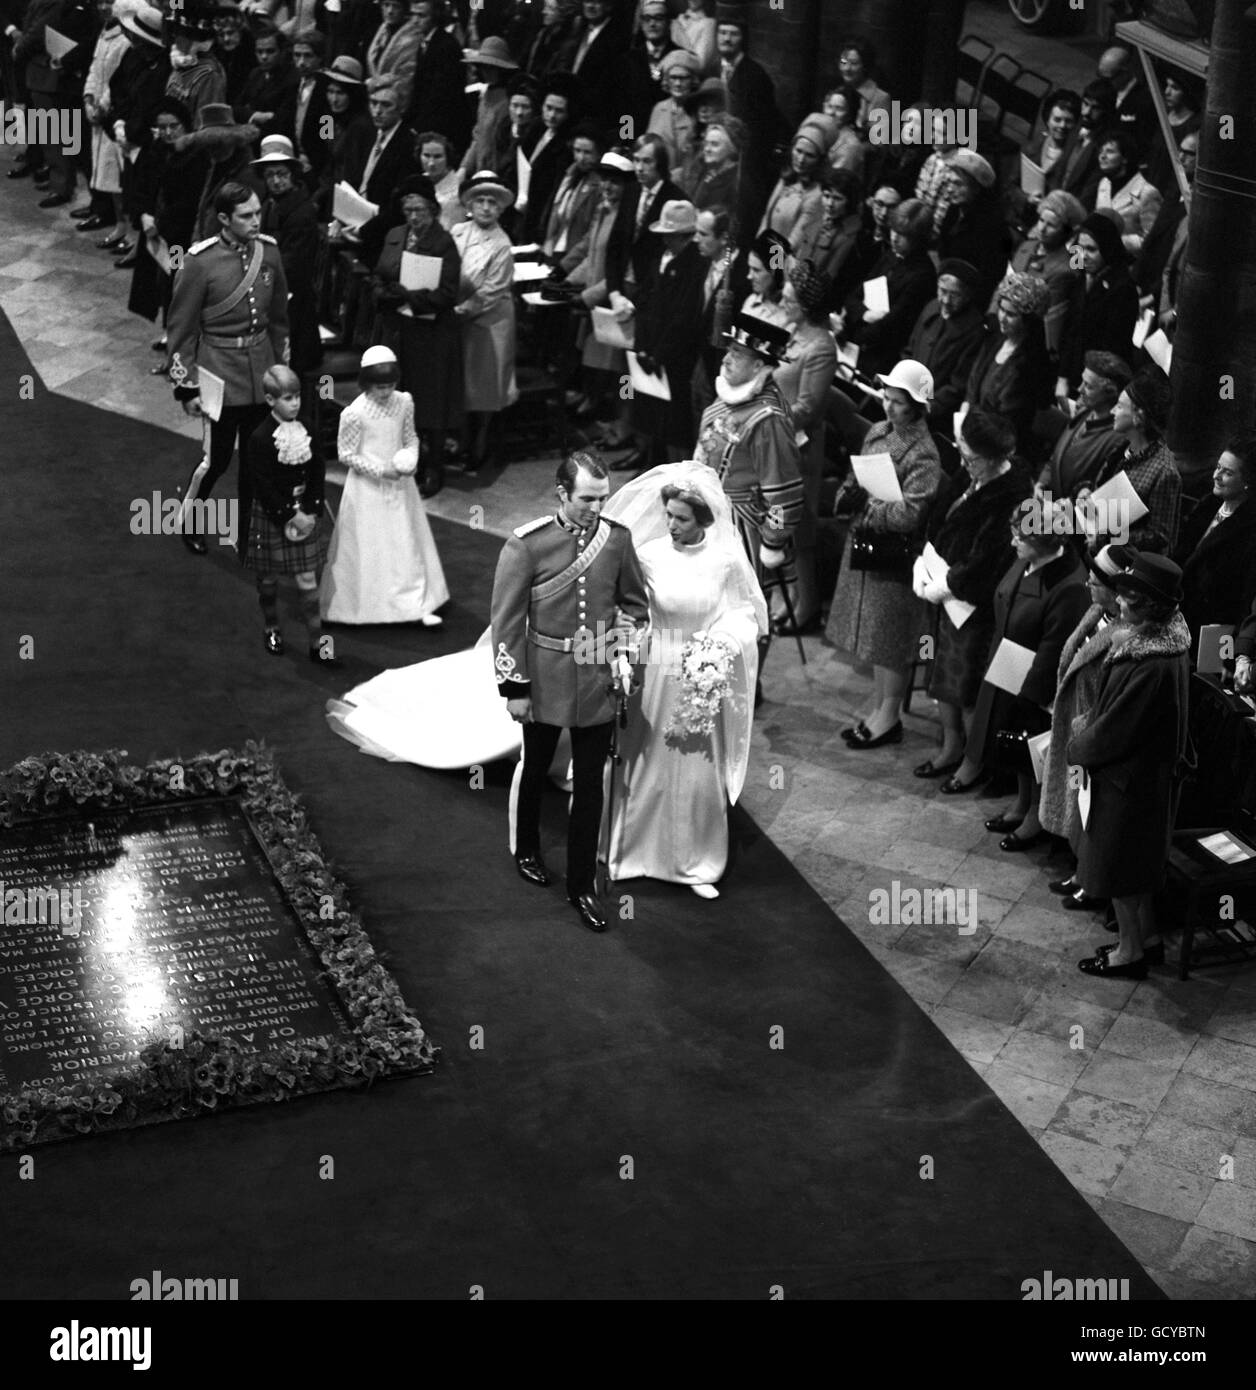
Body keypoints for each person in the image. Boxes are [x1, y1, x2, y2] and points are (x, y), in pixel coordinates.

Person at [490, 452, 649, 934]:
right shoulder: (527, 545)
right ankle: (527, 847)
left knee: (591, 784)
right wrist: (514, 687)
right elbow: (507, 621)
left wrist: (623, 648)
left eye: (602, 498)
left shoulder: (617, 540)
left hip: (597, 681)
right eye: (586, 499)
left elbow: (636, 607)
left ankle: (580, 884)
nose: (596, 507)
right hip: (543, 676)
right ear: (562, 494)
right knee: (535, 767)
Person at [600, 464, 768, 898]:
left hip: (701, 677)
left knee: (695, 772)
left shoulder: (726, 561)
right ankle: (633, 852)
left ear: (704, 520)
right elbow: (630, 609)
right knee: (646, 763)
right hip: (656, 669)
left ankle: (693, 862)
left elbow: (743, 614)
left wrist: (720, 646)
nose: (671, 525)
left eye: (682, 518)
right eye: (669, 515)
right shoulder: (650, 555)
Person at [1070, 554, 1191, 979]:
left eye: (1127, 598)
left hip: (1129, 782)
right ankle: (1149, 940)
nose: (1118, 603)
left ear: (1148, 606)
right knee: (1138, 870)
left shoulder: (1149, 663)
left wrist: (1076, 747)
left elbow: (1115, 731)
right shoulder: (1165, 645)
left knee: (1119, 871)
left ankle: (1129, 951)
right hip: (1144, 779)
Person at [945, 498, 1089, 839]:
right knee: (1016, 747)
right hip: (1009, 666)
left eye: (1020, 538)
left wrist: (1030, 694)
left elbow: (1055, 648)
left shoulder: (1068, 586)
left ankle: (1035, 818)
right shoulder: (1026, 560)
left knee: (1033, 749)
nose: (1013, 542)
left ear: (1042, 541)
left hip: (1037, 683)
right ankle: (1021, 805)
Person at [166, 181, 290, 555]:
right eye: (246, 216)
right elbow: (180, 331)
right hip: (218, 376)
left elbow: (280, 318)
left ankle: (247, 530)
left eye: (257, 213)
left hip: (261, 372)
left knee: (257, 461)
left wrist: (282, 369)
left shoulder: (268, 253)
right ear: (223, 218)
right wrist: (185, 386)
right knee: (215, 460)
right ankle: (189, 520)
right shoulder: (200, 262)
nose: (256, 221)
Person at [827, 359, 941, 749]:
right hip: (868, 547)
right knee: (876, 637)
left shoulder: (923, 452)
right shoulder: (877, 431)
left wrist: (869, 507)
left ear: (918, 406)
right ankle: (879, 709)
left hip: (895, 556)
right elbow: (854, 475)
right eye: (887, 399)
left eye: (898, 402)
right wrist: (848, 496)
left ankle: (888, 716)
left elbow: (911, 512)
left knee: (891, 639)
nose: (889, 408)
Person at [914, 410, 1032, 780]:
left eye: (972, 459)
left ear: (997, 459)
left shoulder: (1013, 495)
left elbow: (989, 561)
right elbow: (941, 516)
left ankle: (972, 760)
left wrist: (948, 584)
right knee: (940, 678)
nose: (965, 465)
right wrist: (926, 559)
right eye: (963, 455)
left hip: (971, 605)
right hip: (942, 595)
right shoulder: (972, 470)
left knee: (966, 687)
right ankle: (950, 746)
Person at [693, 314, 804, 703]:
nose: (727, 358)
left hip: (744, 529)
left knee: (745, 613)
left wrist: (772, 541)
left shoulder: (768, 418)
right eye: (729, 349)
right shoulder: (732, 395)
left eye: (738, 353)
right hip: (708, 517)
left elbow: (784, 488)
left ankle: (743, 687)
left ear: (759, 365)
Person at [320, 345, 449, 625]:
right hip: (368, 488)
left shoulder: (404, 402)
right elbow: (346, 454)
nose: (386, 392)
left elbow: (410, 437)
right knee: (371, 546)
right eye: (380, 387)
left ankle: (416, 604)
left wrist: (410, 458)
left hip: (401, 484)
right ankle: (363, 606)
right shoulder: (354, 413)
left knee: (406, 541)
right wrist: (380, 470)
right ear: (366, 383)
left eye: (390, 385)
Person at [1038, 542, 1131, 911]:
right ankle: (1080, 871)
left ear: (1115, 588)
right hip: (1073, 724)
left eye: (1097, 577)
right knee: (1076, 801)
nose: (1089, 580)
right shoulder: (1095, 612)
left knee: (1089, 809)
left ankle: (1091, 881)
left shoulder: (1126, 632)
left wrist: (1083, 726)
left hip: (1093, 733)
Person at [371, 174, 464, 498]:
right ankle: (402, 460)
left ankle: (433, 466)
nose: (413, 217)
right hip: (397, 330)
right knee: (399, 396)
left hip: (431, 333)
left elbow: (449, 293)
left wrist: (410, 297)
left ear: (434, 211)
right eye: (408, 210)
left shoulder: (444, 243)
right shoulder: (395, 235)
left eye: (420, 211)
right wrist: (384, 292)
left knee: (430, 403)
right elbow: (379, 274)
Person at [243, 364, 336, 664]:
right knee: (268, 579)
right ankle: (271, 627)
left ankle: (316, 642)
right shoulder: (259, 438)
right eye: (287, 398)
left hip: (304, 512)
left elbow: (318, 470)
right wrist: (288, 515)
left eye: (297, 396)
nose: (294, 403)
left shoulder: (307, 427)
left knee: (308, 581)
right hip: (274, 514)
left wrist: (310, 510)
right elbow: (263, 485)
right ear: (271, 400)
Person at [771, 261, 837, 636]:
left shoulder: (822, 347)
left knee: (802, 528)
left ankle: (808, 604)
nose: (782, 298)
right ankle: (791, 597)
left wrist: (768, 419)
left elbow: (809, 407)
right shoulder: (793, 333)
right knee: (781, 524)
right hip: (778, 442)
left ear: (807, 304)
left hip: (801, 449)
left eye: (790, 297)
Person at [452, 170, 518, 474]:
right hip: (462, 318)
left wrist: (458, 311)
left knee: (485, 387)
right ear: (470, 204)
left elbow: (491, 291)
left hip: (489, 322)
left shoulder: (501, 244)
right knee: (463, 384)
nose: (486, 207)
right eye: (480, 201)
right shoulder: (458, 232)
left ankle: (481, 446)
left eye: (493, 202)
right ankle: (462, 441)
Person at [1079, 367, 1180, 554]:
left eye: (1119, 406)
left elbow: (1159, 535)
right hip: (1093, 547)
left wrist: (1106, 539)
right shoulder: (1121, 448)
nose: (1112, 411)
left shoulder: (1164, 472)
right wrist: (1088, 494)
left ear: (1138, 416)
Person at [1175, 433, 1256, 648]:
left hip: (1209, 635)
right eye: (1218, 467)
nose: (1216, 476)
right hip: (1177, 617)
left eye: (1227, 472)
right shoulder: (1208, 505)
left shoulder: (1250, 534)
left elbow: (1245, 601)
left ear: (1247, 481)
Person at [964, 271, 1054, 457]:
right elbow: (973, 386)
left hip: (997, 448)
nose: (1002, 317)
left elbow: (1009, 424)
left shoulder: (1031, 364)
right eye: (1001, 309)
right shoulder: (994, 338)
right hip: (971, 433)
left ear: (1028, 320)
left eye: (1011, 314)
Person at [1056, 212, 1139, 396]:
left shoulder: (1122, 288)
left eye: (1092, 249)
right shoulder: (1080, 278)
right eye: (1081, 248)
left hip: (1100, 383)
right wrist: (1062, 377)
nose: (1084, 256)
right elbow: (1070, 330)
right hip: (1074, 374)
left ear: (1107, 249)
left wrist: (1088, 384)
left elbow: (1113, 347)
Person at [903, 257, 987, 434]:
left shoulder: (974, 330)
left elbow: (958, 385)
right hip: (907, 398)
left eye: (955, 295)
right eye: (942, 291)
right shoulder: (932, 307)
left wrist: (928, 407)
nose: (946, 300)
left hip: (934, 416)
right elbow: (910, 350)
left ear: (967, 296)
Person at [1035, 350, 1130, 500]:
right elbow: (1057, 458)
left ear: (1110, 392)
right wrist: (1041, 483)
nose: (1079, 390)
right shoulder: (1085, 412)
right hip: (1047, 502)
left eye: (1088, 386)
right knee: (1023, 521)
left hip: (1072, 518)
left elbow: (1103, 503)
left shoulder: (1118, 439)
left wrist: (1059, 511)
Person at [758, 114, 835, 251]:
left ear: (820, 160)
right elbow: (766, 219)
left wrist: (768, 265)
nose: (801, 159)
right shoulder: (786, 179)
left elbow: (795, 241)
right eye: (798, 151)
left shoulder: (816, 195)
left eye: (809, 155)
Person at [1093, 129, 1161, 257]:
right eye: (1101, 151)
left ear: (1125, 158)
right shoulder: (1104, 184)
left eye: (1110, 152)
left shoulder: (1148, 193)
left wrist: (1118, 242)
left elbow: (1151, 242)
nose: (1102, 156)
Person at [648, 48, 701, 171]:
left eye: (683, 78)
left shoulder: (698, 111)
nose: (678, 83)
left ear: (693, 80)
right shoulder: (658, 108)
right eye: (673, 77)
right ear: (667, 80)